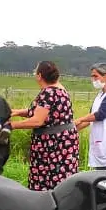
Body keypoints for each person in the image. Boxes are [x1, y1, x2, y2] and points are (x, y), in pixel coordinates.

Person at [9, 61, 79, 191]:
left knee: (49, 180)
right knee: (61, 180)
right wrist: (17, 112)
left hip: (53, 146)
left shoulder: (48, 92)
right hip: (63, 143)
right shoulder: (60, 89)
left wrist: (12, 125)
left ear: (39, 76)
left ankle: (44, 208)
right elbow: (44, 111)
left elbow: (37, 120)